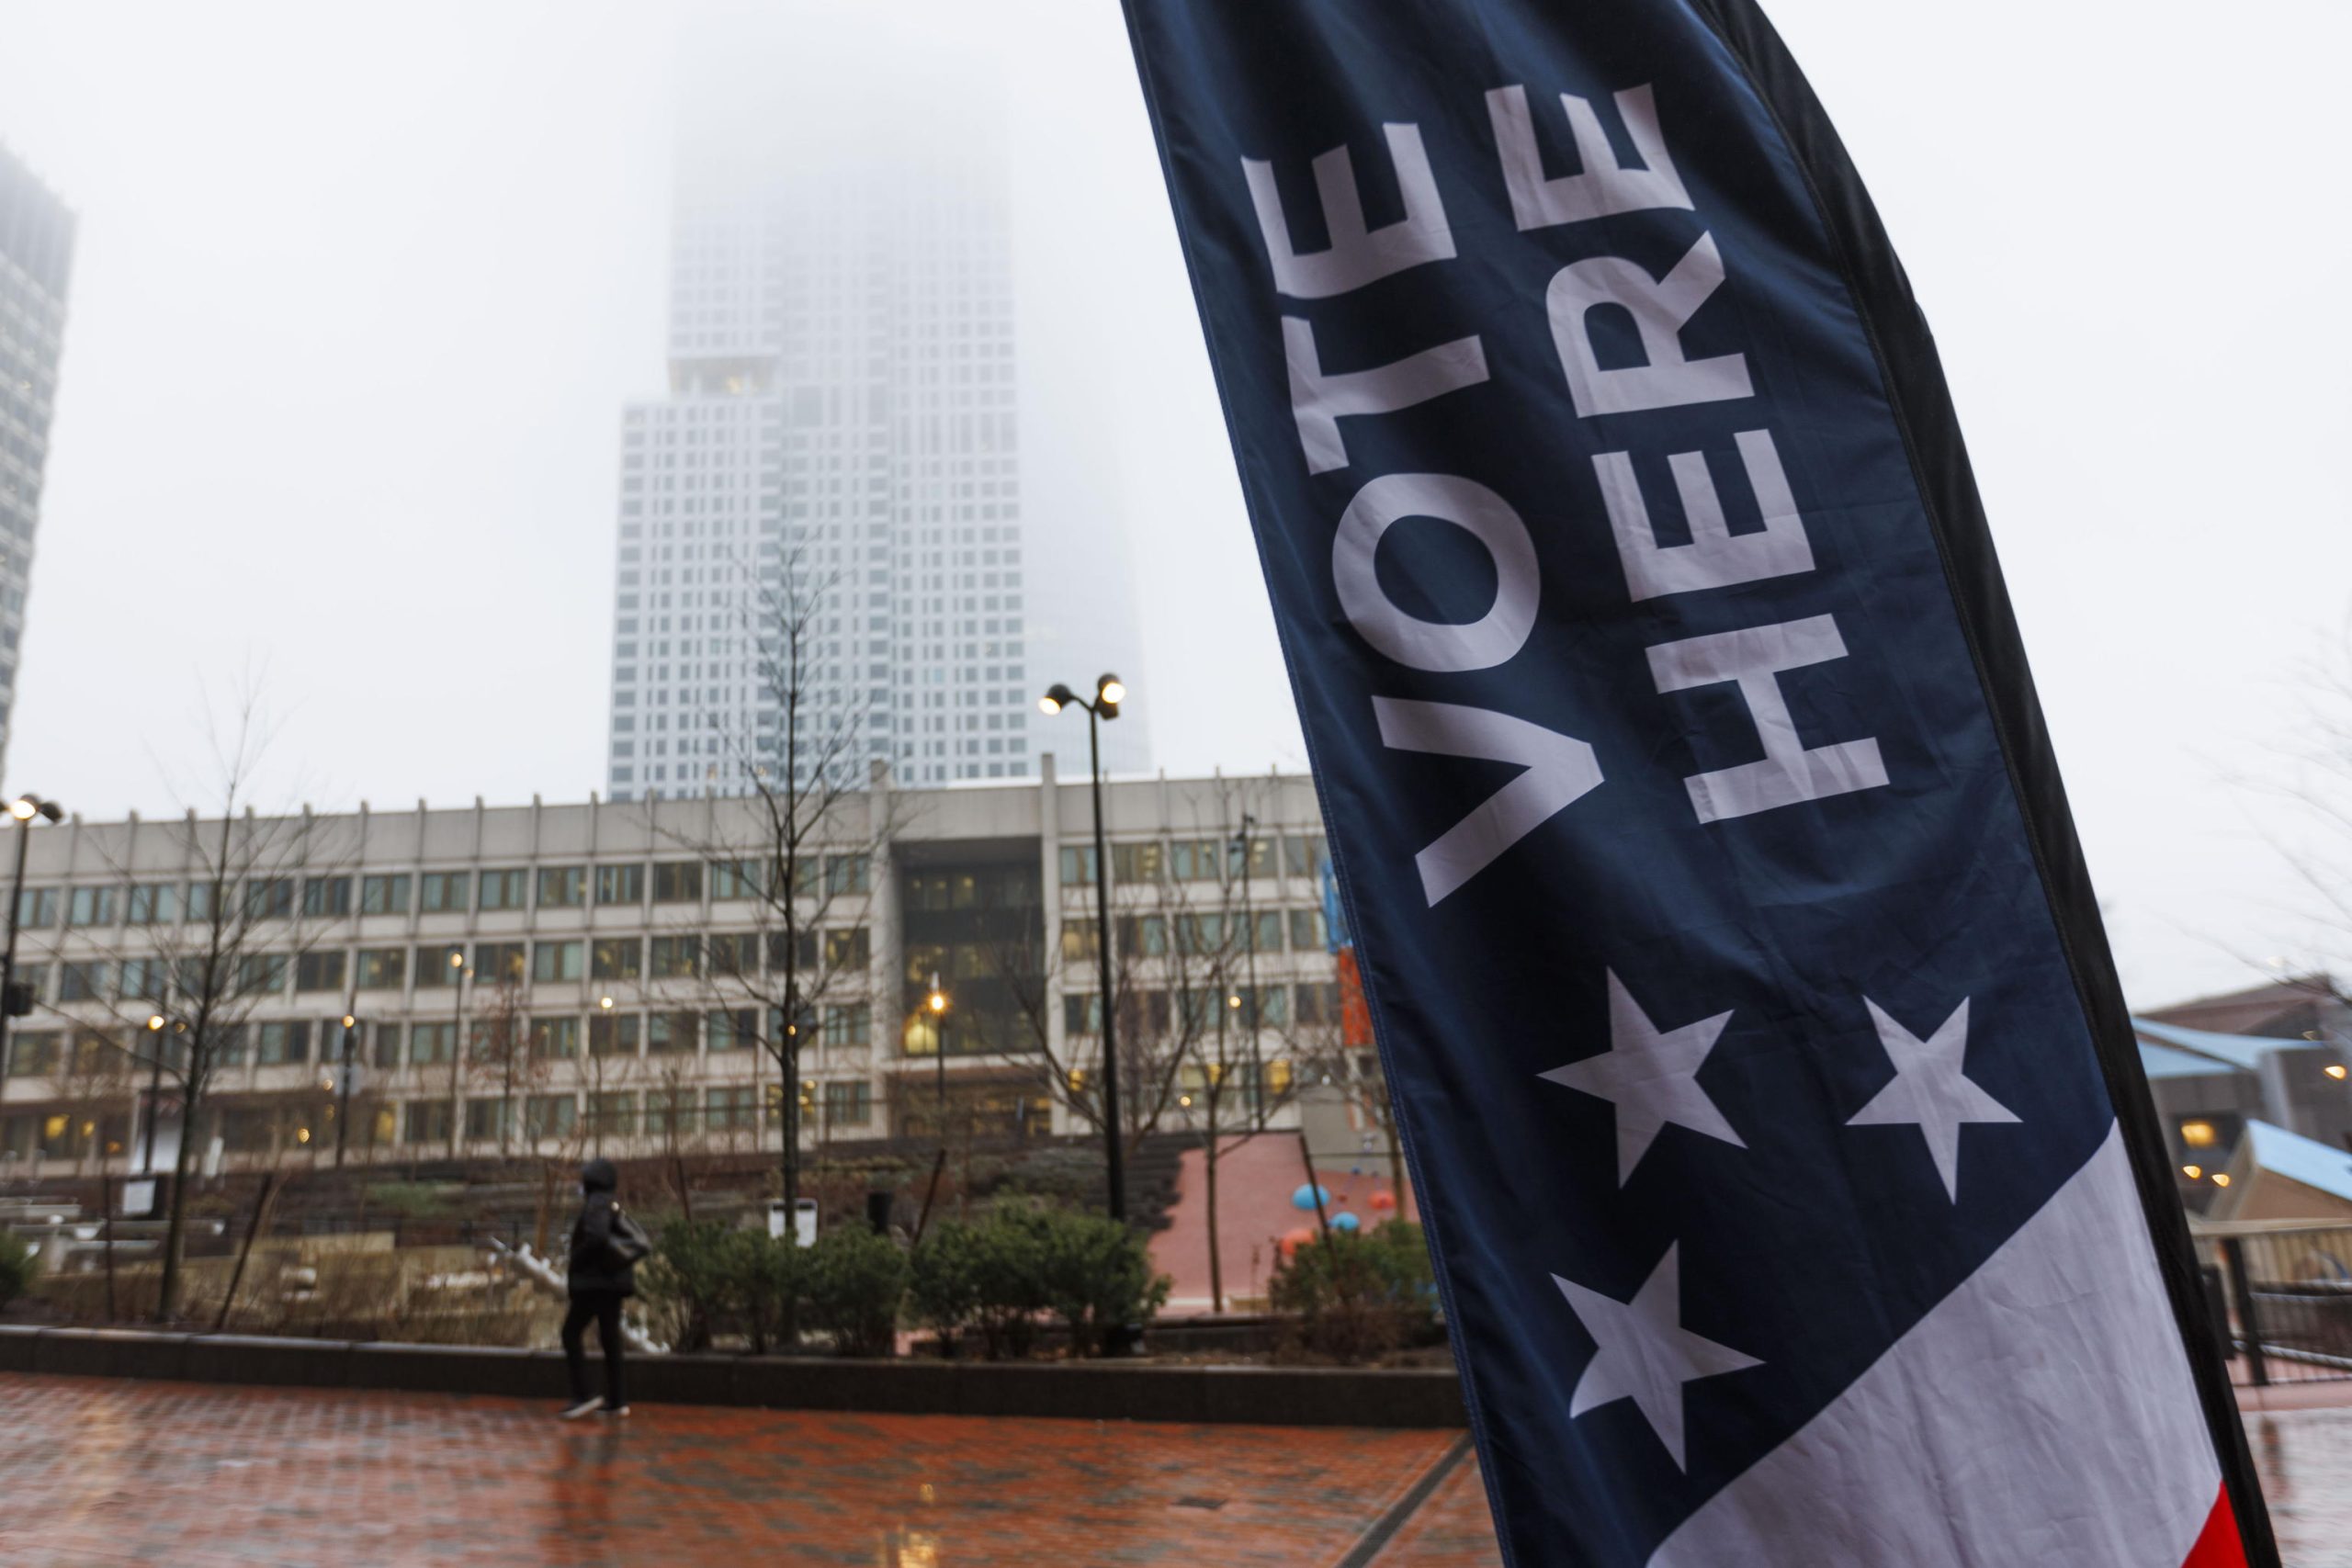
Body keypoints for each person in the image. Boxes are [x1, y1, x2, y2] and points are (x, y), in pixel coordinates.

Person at [560, 1156, 636, 1418]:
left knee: (570, 1333)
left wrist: (576, 1259)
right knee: (610, 1339)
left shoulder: (596, 1204)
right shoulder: (611, 1203)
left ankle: (583, 1395)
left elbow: (597, 1238)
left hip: (595, 1284)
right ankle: (617, 1401)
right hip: (612, 1284)